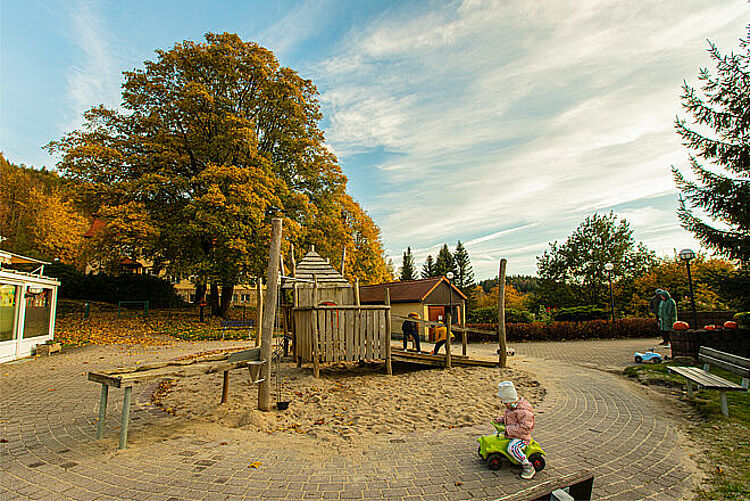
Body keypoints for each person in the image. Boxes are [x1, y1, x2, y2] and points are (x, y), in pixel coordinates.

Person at [495, 381, 536, 480]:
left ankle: (528, 466)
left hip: (521, 437)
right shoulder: (511, 407)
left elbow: (525, 428)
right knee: (495, 435)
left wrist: (507, 429)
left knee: (512, 448)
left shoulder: (524, 412)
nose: (504, 405)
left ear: (510, 400)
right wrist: (500, 420)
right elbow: (510, 418)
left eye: (505, 402)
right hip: (512, 433)